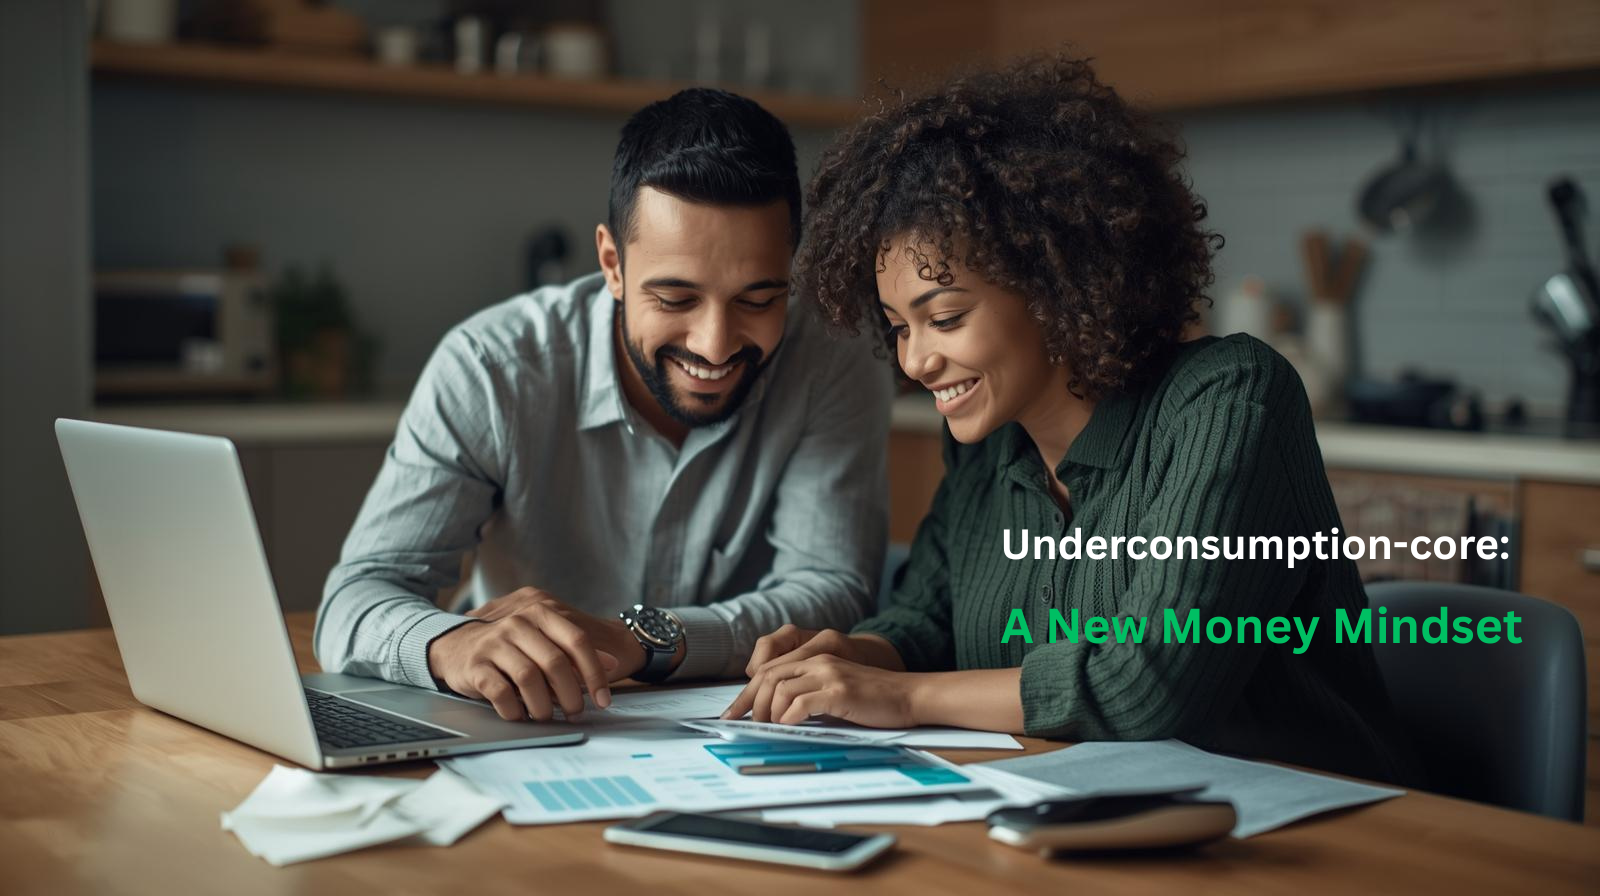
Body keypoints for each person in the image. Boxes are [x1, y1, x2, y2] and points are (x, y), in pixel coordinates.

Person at [725, 56, 1415, 784]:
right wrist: (846, 656)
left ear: (1056, 286)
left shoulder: (1230, 399)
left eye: (946, 318)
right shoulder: (985, 446)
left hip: (1322, 827)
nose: (916, 362)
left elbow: (1150, 680)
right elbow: (928, 621)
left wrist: (900, 695)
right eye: (899, 327)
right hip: (1101, 813)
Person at [315, 88, 892, 723]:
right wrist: (452, 644)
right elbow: (357, 598)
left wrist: (641, 637)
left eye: (758, 300)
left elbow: (832, 592)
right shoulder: (490, 368)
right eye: (675, 299)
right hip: (517, 726)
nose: (715, 343)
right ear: (612, 264)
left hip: (746, 741)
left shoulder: (834, 360)